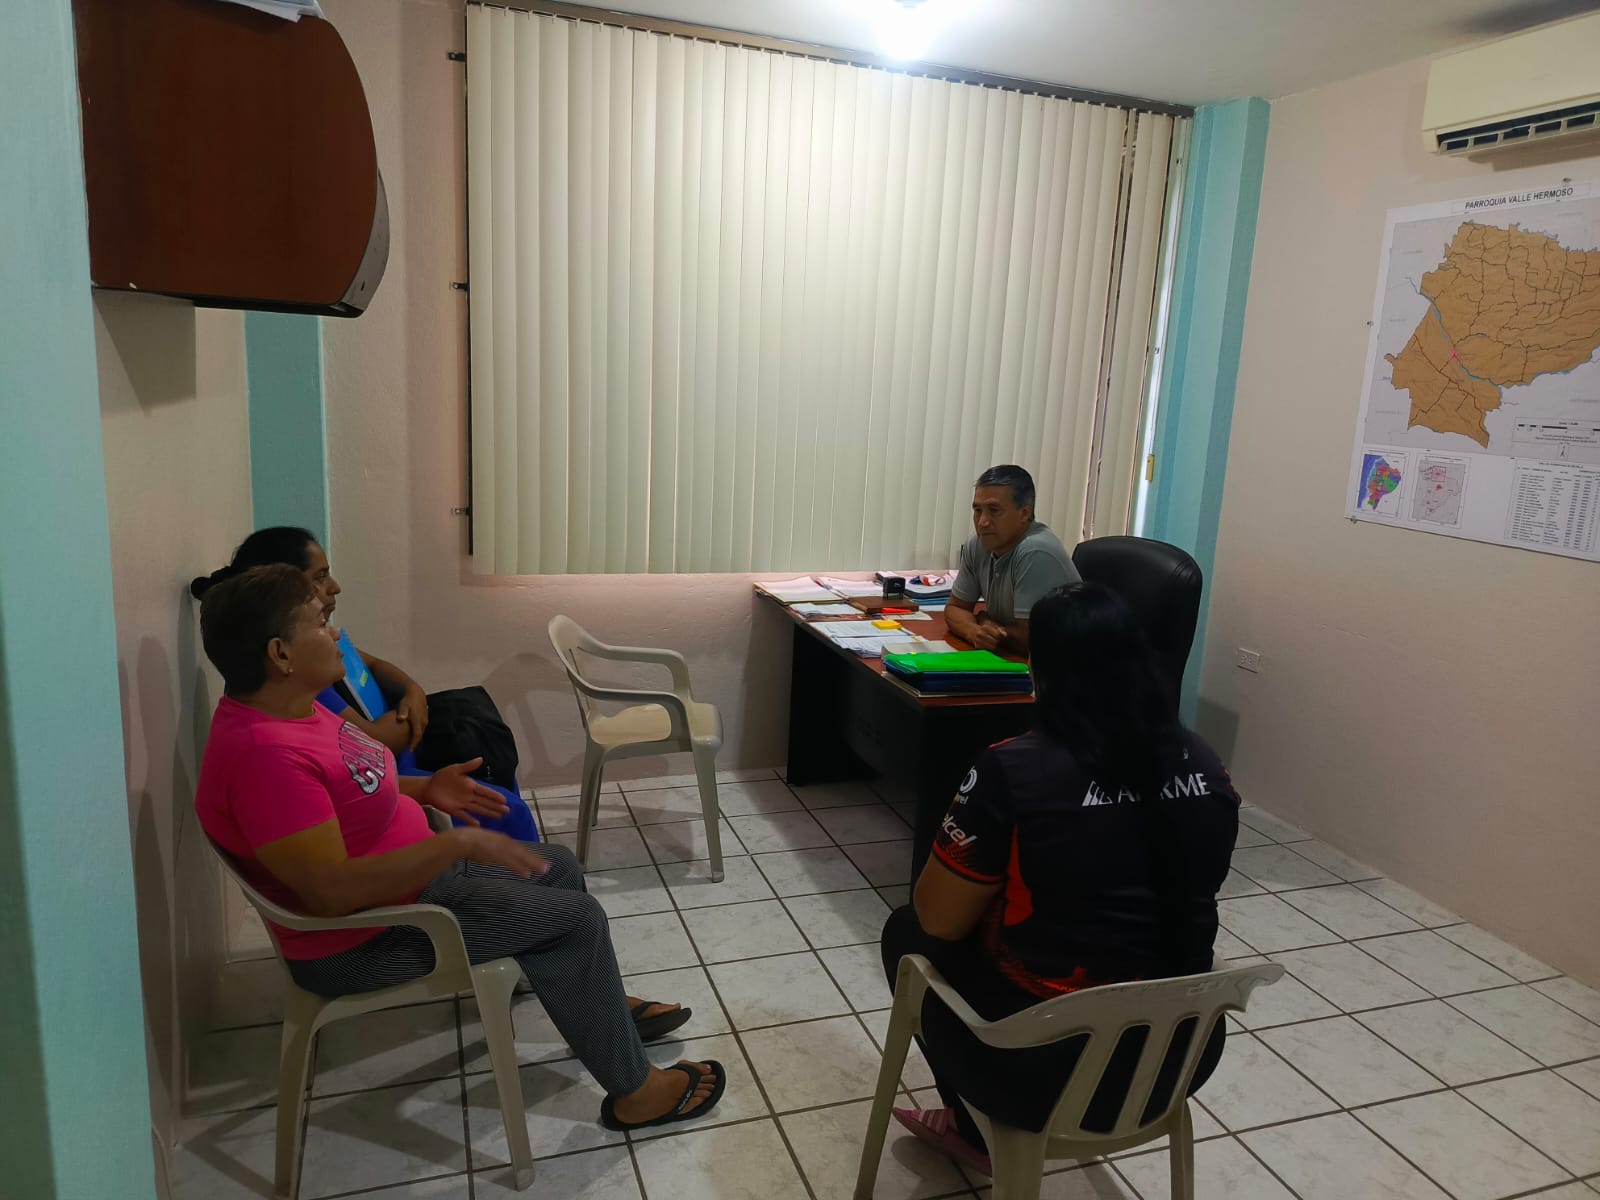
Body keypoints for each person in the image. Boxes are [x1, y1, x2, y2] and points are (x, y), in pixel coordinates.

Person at [194, 565, 723, 1130]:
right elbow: (330, 895)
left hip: (406, 893)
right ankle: (637, 1093)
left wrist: (426, 789)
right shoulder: (265, 758)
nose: (336, 633)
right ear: (280, 653)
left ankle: (601, 1016)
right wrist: (455, 845)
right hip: (363, 940)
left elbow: (351, 785)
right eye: (321, 623)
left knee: (556, 866)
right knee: (576, 919)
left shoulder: (294, 706)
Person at [879, 582, 1238, 1175]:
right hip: (1183, 1056)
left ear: (1038, 671)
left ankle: (974, 1131)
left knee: (906, 932)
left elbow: (938, 917)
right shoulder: (1206, 760)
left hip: (1042, 1070)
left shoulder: (1014, 767)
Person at [190, 527, 536, 840]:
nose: (335, 587)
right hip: (392, 778)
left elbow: (369, 665)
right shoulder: (296, 688)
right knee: (507, 806)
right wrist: (415, 709)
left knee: (492, 757)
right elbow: (374, 743)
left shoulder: (308, 658)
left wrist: (413, 691)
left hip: (394, 770)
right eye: (320, 577)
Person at [944, 465, 1079, 657]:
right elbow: (955, 608)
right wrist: (974, 631)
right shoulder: (979, 544)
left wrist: (984, 620)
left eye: (994, 510)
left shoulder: (1035, 550)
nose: (982, 522)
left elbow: (1030, 641)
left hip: (1066, 666)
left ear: (1024, 513)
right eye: (978, 510)